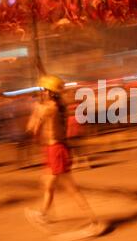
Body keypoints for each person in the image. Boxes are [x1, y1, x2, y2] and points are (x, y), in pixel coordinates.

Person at [24, 75, 102, 232]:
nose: (43, 93)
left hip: (56, 150)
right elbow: (34, 126)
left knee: (70, 188)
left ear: (50, 92)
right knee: (48, 185)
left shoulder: (51, 107)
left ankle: (94, 221)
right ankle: (43, 214)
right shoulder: (55, 104)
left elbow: (31, 127)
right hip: (51, 149)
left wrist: (35, 109)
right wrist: (37, 108)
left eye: (45, 90)